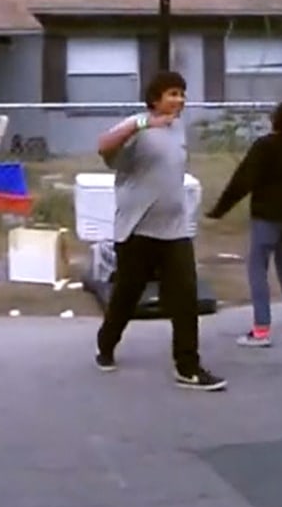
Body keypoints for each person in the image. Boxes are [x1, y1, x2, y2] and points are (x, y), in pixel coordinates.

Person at [93, 70, 226, 392]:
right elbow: (103, 146)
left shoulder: (178, 129)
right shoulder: (137, 127)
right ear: (155, 99)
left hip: (175, 231)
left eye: (182, 94)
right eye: (172, 94)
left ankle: (188, 366)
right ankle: (106, 344)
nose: (179, 100)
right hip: (137, 230)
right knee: (127, 295)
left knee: (184, 298)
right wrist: (141, 125)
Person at [204, 99, 282, 347]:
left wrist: (219, 209)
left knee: (257, 269)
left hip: (268, 217)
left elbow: (242, 180)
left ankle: (261, 330)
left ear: (276, 119)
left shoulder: (264, 146)